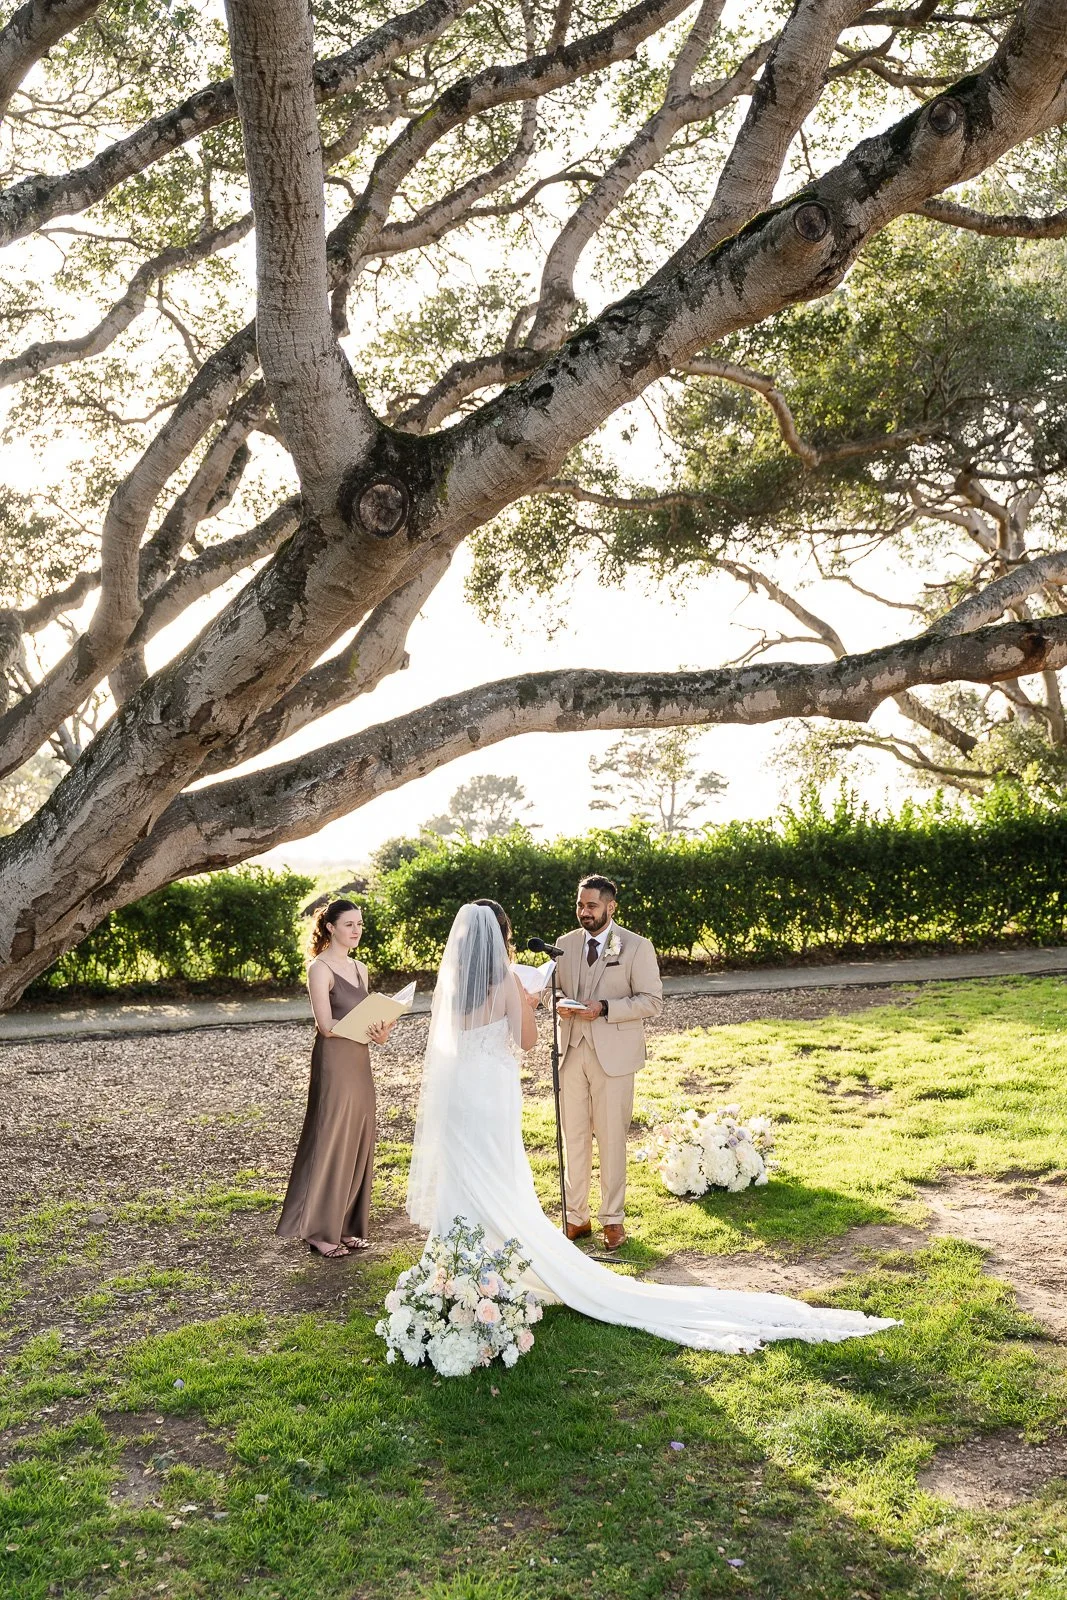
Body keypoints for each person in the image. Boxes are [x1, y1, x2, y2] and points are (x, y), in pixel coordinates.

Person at [406, 900, 898, 1355]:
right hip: (492, 1095)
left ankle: (455, 1262)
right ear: (500, 938)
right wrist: (528, 1004)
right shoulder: (506, 984)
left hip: (460, 1096)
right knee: (498, 1171)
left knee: (464, 1171)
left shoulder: (451, 988)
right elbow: (528, 1041)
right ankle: (504, 1255)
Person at [277, 898, 394, 1258]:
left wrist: (380, 1032)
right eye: (349, 924)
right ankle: (318, 1231)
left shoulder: (360, 968)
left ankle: (346, 1225)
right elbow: (325, 1026)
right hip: (333, 1061)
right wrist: (361, 1027)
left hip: (359, 1060)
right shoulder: (320, 968)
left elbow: (368, 1023)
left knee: (358, 1136)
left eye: (360, 924)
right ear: (330, 927)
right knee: (330, 1139)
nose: (357, 930)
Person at [555, 874, 661, 1250]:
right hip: (570, 1052)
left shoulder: (636, 946)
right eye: (580, 905)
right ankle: (576, 1217)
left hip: (614, 1057)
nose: (584, 912)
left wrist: (605, 1008)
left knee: (612, 1138)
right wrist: (558, 1003)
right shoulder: (564, 944)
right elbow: (554, 990)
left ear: (610, 907)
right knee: (574, 1137)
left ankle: (612, 1219)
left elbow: (651, 1001)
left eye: (592, 906)